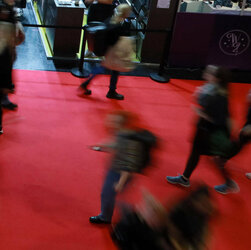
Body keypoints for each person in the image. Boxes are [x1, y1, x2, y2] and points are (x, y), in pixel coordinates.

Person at [166, 66, 238, 194]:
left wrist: (201, 112)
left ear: (217, 78)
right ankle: (185, 178)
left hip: (210, 132)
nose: (206, 73)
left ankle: (229, 183)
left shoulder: (218, 96)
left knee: (215, 159)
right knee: (197, 153)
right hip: (204, 130)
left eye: (210, 73)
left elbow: (219, 119)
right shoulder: (212, 89)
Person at [89, 111, 149, 224]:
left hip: (119, 174)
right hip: (115, 170)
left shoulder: (129, 141)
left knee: (110, 196)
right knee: (113, 196)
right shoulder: (121, 134)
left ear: (122, 123)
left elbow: (128, 165)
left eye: (113, 121)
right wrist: (102, 147)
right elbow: (116, 145)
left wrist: (120, 183)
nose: (109, 123)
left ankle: (108, 218)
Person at [78, 4, 132, 101]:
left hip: (108, 50)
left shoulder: (111, 19)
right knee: (113, 70)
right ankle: (110, 91)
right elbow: (117, 40)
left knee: (104, 68)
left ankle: (87, 84)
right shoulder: (119, 26)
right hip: (114, 51)